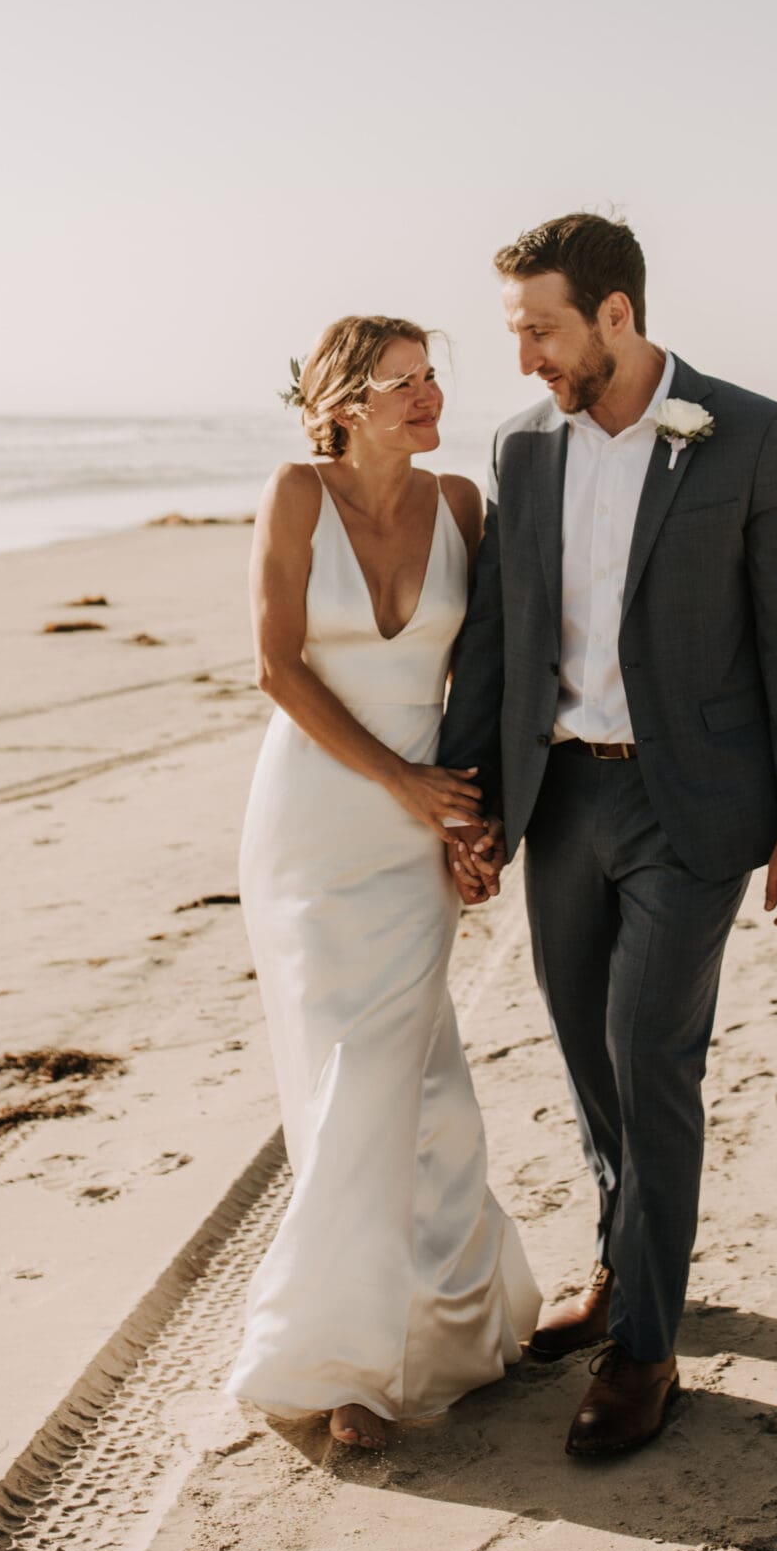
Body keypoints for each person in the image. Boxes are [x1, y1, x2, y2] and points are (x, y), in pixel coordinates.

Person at [440, 213, 777, 1458]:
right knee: (584, 1053)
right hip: (562, 797)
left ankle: (646, 1348)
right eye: (516, 334)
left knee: (648, 1052)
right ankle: (626, 1269)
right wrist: (472, 804)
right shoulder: (522, 449)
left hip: (698, 804)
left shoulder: (754, 434)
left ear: (615, 315)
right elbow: (501, 643)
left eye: (541, 331)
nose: (526, 362)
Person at [225, 314, 539, 1448]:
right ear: (344, 402)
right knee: (347, 1079)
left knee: (431, 1087)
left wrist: (467, 820)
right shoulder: (297, 493)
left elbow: (482, 677)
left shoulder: (461, 504)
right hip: (316, 821)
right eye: (402, 383)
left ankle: (459, 1323)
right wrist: (402, 784)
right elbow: (276, 665)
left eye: (431, 377)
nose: (428, 397)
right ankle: (336, 1364)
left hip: (420, 823)